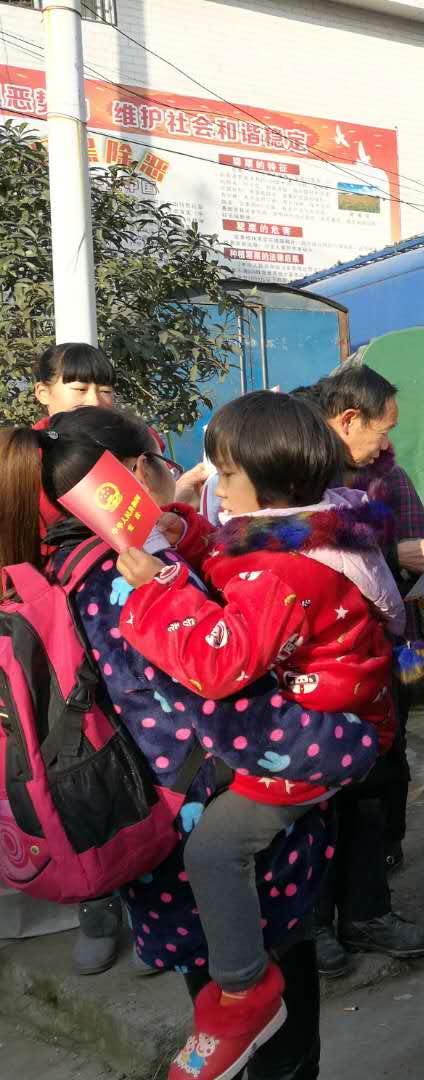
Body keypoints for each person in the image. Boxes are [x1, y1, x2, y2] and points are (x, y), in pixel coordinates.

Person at [1, 407, 374, 1080]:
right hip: (225, 829)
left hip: (147, 829)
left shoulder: (50, 565)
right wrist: (332, 745)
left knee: (216, 996)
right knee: (276, 1036)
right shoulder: (132, 573)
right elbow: (220, 708)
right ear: (132, 473)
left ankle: (226, 1024)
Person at [113, 390, 397, 1074]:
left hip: (323, 736)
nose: (216, 487)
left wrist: (155, 591)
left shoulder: (281, 573)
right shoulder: (308, 528)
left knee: (214, 849)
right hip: (335, 717)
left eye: (226, 475)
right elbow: (235, 554)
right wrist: (190, 535)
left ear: (266, 481)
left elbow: (221, 661)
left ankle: (244, 992)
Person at [293, 366, 424, 975]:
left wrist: (404, 562)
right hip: (310, 664)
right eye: (383, 428)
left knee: (372, 788)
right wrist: (376, 551)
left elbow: (421, 552)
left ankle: (367, 912)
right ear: (348, 421)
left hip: (375, 660)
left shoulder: (388, 479)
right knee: (314, 798)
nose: (387, 442)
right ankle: (311, 923)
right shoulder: (292, 470)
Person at [28, 343, 123, 976]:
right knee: (79, 756)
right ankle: (98, 902)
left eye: (103, 388)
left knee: (141, 752)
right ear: (43, 393)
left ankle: (151, 893)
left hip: (126, 628)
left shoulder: (126, 444)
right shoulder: (26, 456)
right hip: (55, 634)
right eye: (78, 387)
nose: (94, 399)